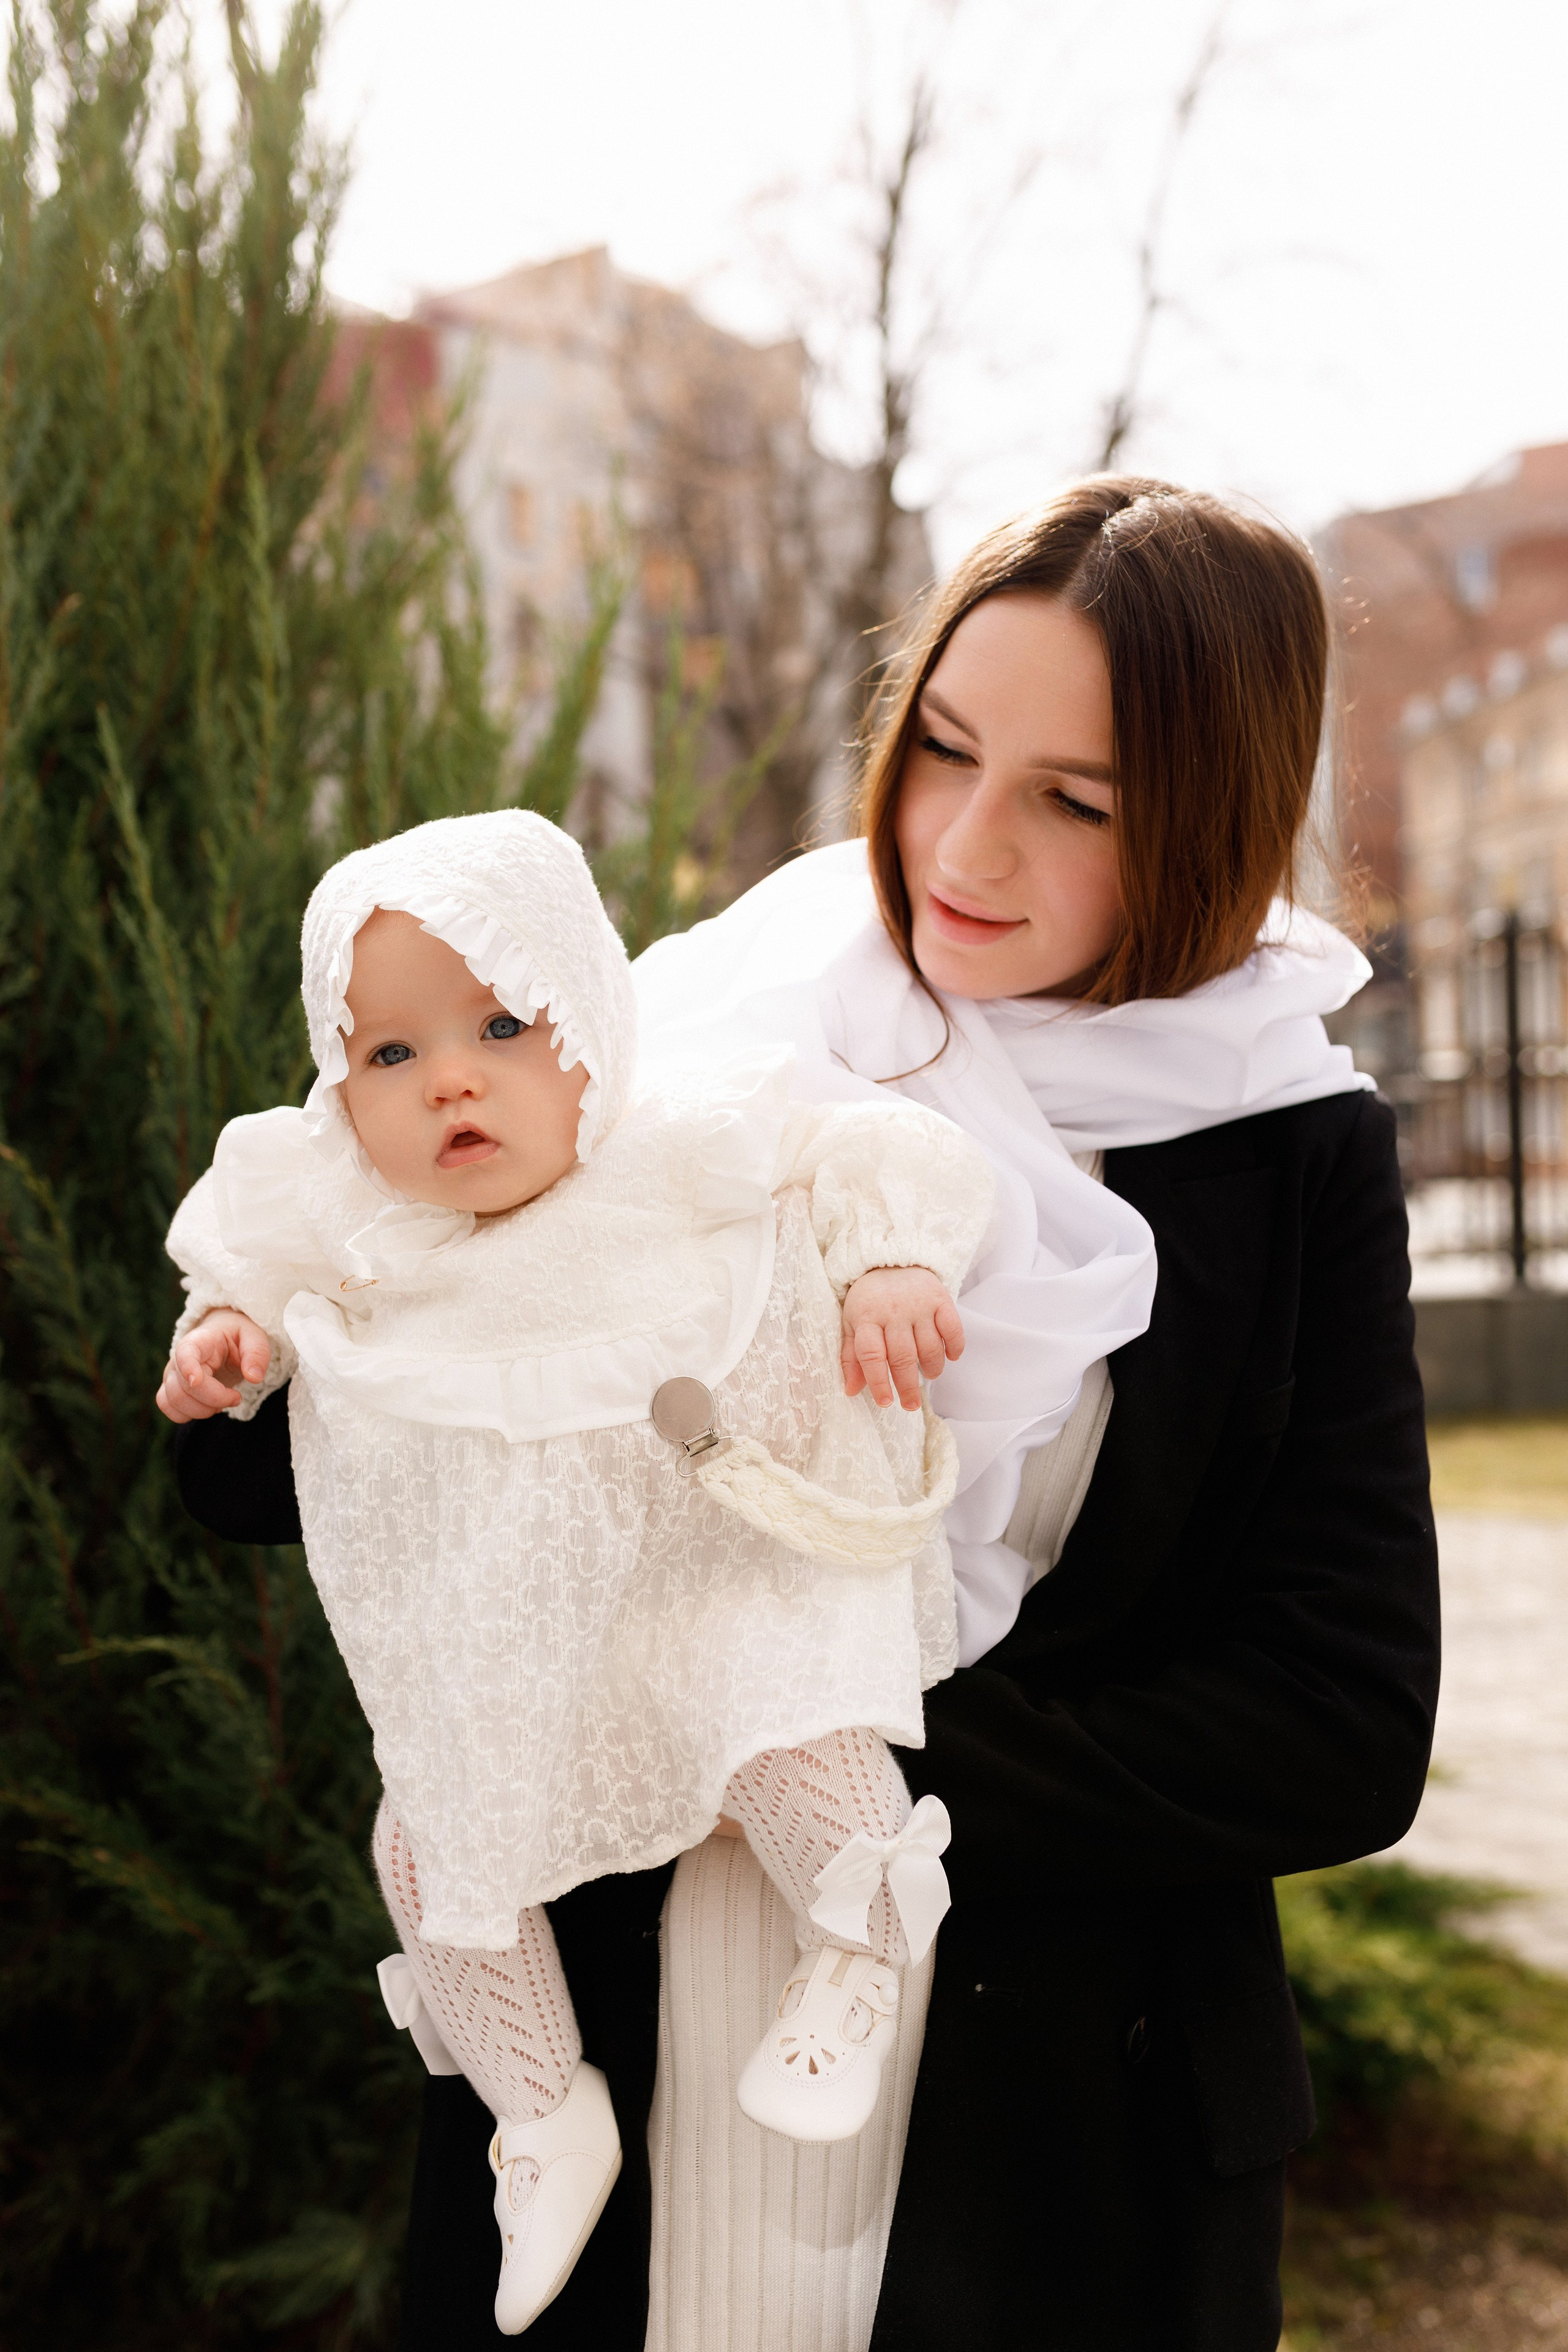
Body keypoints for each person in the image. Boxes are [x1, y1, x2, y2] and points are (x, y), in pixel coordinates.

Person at [176, 474, 1441, 2351]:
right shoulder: (696, 1034)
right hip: (617, 2057)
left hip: (1053, 2139)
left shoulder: (1291, 1149)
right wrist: (259, 1354)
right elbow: (313, 1473)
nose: (966, 845)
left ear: (1212, 817)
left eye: (1075, 801)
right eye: (941, 747)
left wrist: (802, 1738)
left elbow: (1336, 1721)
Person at [156, 809, 1155, 2337]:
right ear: (338, 1083)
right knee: (430, 1854)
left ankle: (859, 1947)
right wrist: (231, 1339)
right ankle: (543, 2114)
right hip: (507, 1635)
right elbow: (248, 1273)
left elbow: (874, 1149)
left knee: (786, 1727)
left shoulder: (677, 1133)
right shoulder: (346, 1204)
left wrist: (888, 1259)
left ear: (591, 1020)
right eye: (391, 1058)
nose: (453, 1082)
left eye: (502, 1023)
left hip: (713, 1577)